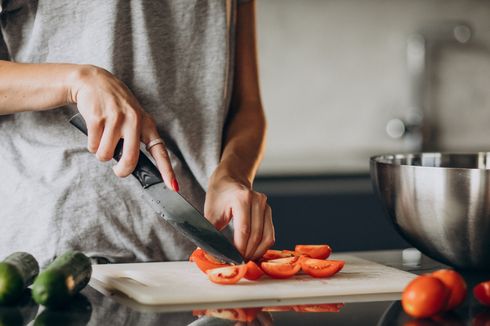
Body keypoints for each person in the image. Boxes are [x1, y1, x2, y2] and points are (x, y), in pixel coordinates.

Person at [0, 0, 274, 266]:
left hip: (196, 252)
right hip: (63, 252)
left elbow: (246, 108)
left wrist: (231, 175)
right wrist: (76, 81)